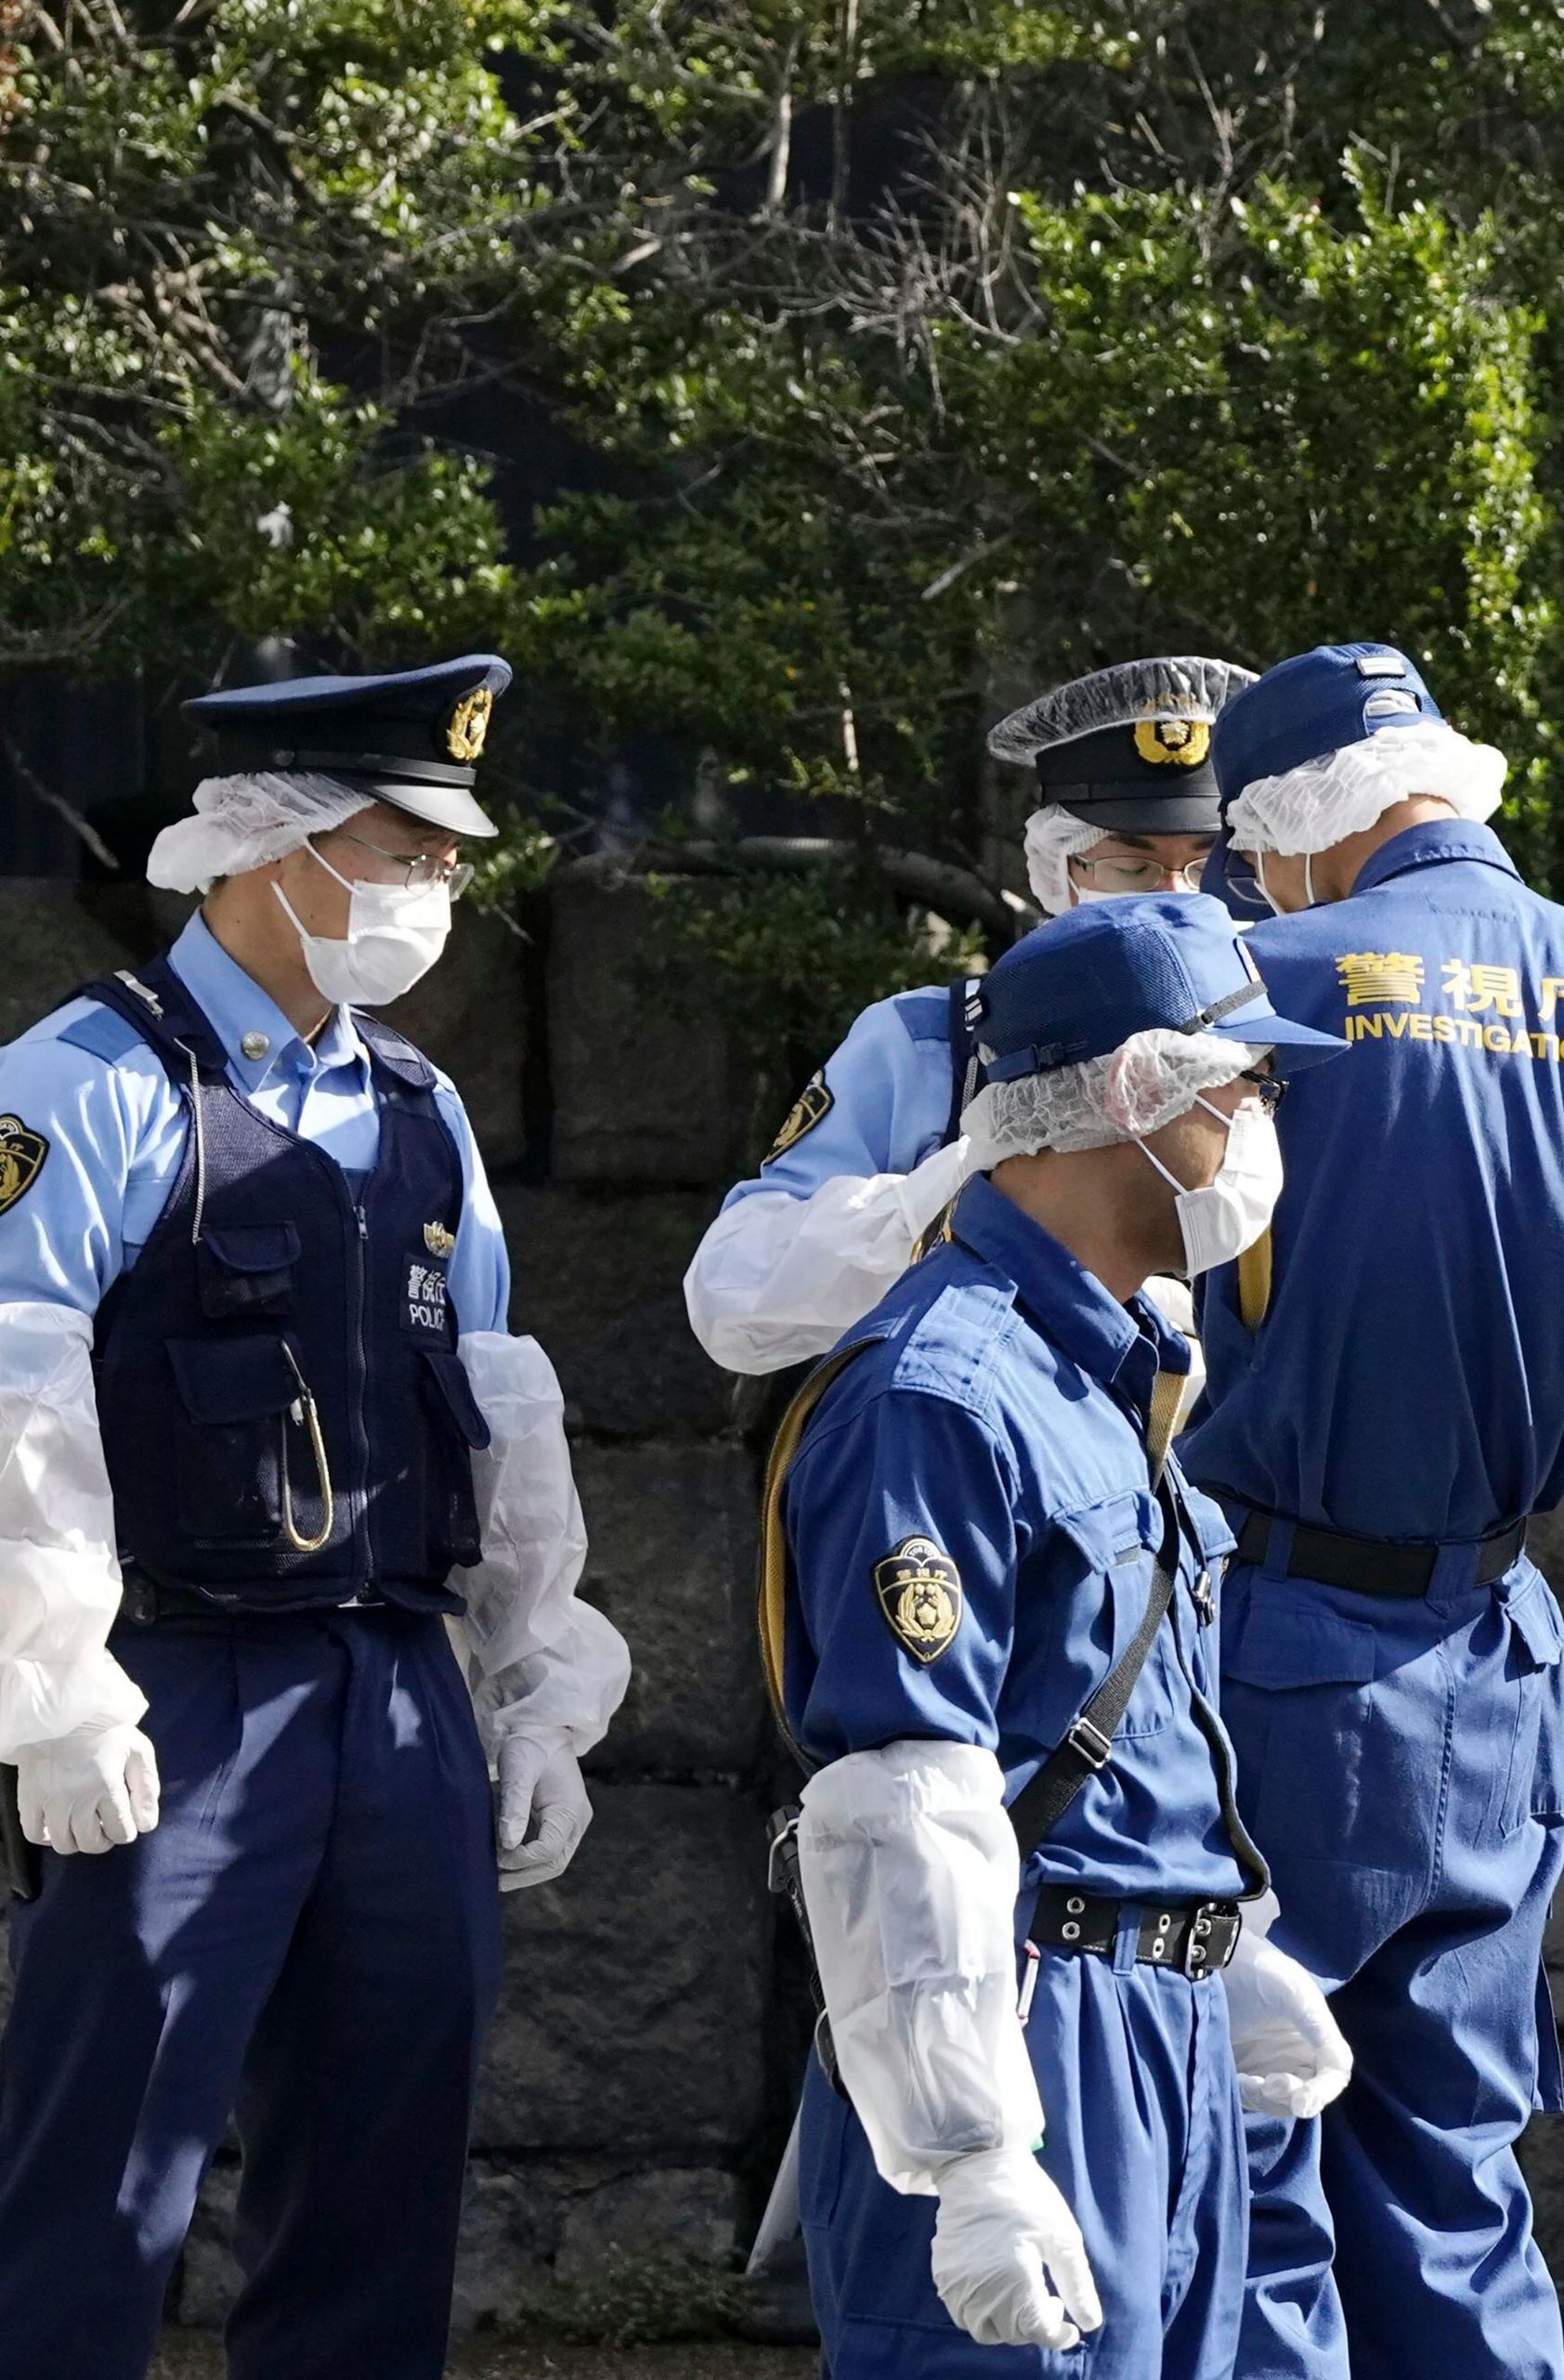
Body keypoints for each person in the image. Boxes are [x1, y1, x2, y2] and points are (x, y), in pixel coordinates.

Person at [0, 657, 632, 2380]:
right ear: (265, 847)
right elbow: (12, 1402)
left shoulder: (419, 1113)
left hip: (395, 1697)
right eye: (399, 849)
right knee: (96, 2190)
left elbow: (497, 1408)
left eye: (444, 858)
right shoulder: (86, 1083)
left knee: (385, 2183)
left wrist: (532, 1682)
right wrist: (52, 1688)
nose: (432, 891)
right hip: (171, 1694)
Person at [1186, 643, 1564, 2380]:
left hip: (1267, 1640)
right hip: (1492, 1654)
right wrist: (1511, 1403)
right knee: (1455, 2155)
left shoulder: (1249, 982)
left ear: (1291, 819)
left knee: (1249, 2145)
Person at [768, 891, 1358, 2373]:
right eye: (1246, 1083)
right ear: (1132, 1096)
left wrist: (1218, 1951)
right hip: (1022, 2026)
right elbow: (903, 1792)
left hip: (1151, 2026)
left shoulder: (1108, 1360)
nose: (1266, 1119)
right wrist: (969, 2149)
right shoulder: (942, 1388)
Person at [685, 656, 1258, 1376]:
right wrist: (957, 1202)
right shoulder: (928, 1042)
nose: (1175, 898)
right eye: (1131, 868)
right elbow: (729, 1296)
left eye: (1203, 868)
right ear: (1060, 869)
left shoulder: (1299, 1044)